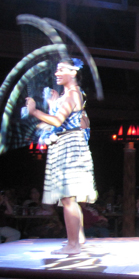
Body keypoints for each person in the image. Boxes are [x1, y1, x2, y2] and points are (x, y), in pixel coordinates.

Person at [26, 58, 97, 255]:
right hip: (69, 144)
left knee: (68, 199)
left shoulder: (72, 94)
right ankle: (78, 239)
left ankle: (73, 244)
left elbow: (58, 121)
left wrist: (34, 111)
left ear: (73, 72)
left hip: (69, 146)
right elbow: (71, 120)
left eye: (61, 69)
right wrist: (51, 105)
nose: (56, 73)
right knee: (70, 198)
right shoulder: (73, 94)